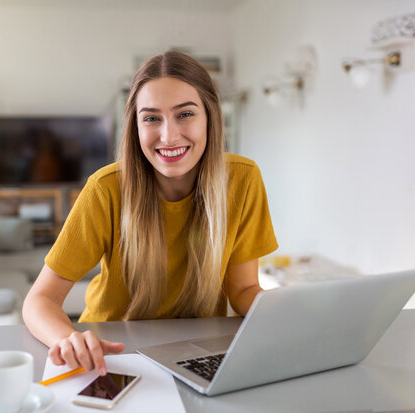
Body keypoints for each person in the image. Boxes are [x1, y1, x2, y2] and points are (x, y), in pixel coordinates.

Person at [23, 51, 278, 377]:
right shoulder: (105, 189)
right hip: (110, 356)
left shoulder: (243, 180)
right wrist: (69, 338)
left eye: (185, 114)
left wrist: (282, 315)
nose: (168, 136)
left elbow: (243, 290)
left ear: (210, 117)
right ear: (135, 125)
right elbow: (39, 300)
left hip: (197, 353)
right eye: (151, 118)